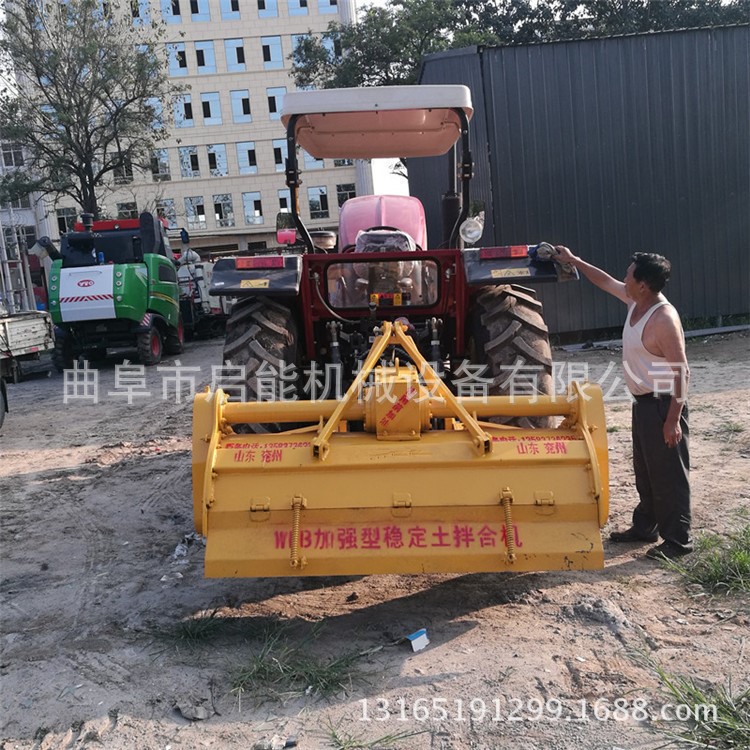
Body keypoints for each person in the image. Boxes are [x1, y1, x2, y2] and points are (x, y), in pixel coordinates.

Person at [554, 247, 692, 560]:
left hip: (664, 405)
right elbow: (604, 281)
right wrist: (575, 261)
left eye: (629, 275)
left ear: (643, 284)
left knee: (669, 475)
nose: (624, 279)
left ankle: (677, 542)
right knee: (645, 471)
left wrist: (672, 420)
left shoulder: (663, 319)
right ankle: (646, 526)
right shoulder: (635, 301)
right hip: (644, 404)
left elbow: (682, 371)